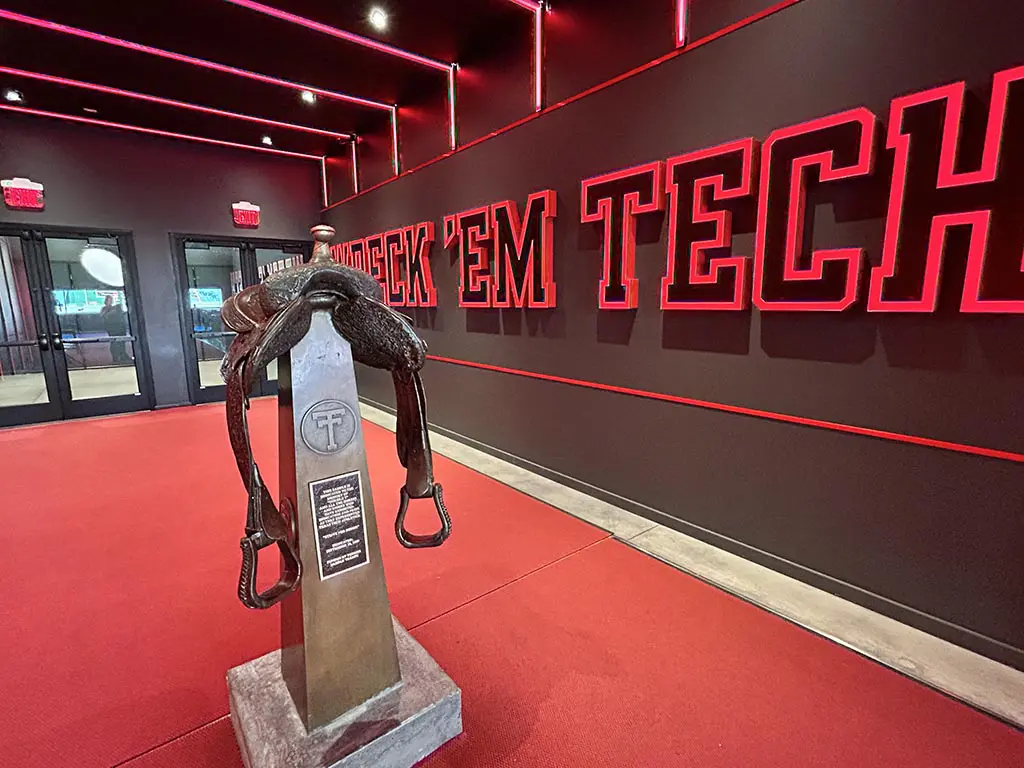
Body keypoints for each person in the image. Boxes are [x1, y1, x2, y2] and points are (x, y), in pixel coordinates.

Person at [100, 294, 130, 365]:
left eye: (111, 300)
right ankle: (115, 357)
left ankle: (123, 355)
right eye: (109, 300)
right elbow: (103, 316)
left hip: (120, 327)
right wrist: (111, 311)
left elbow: (121, 314)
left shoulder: (116, 308)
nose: (111, 301)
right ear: (106, 301)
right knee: (114, 343)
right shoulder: (104, 309)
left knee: (122, 342)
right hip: (112, 329)